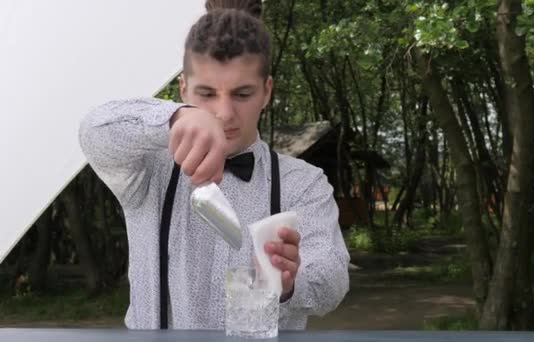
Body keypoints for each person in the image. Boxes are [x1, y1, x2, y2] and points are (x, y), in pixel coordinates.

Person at [79, 0, 350, 330]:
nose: (223, 113)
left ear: (266, 92)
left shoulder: (302, 182)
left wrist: (291, 283)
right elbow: (93, 130)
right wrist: (175, 116)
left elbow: (332, 278)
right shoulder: (149, 170)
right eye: (206, 93)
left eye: (242, 94)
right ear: (183, 89)